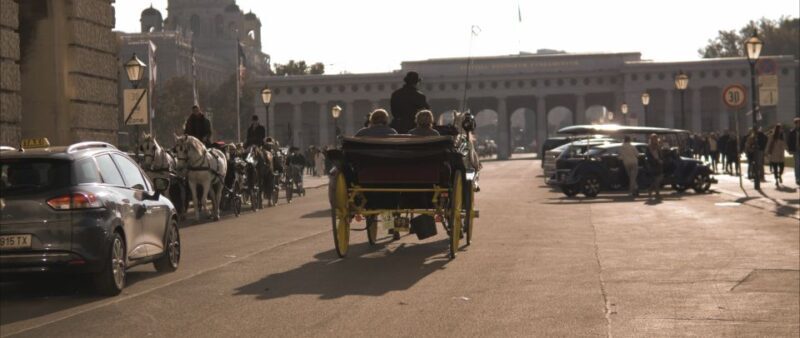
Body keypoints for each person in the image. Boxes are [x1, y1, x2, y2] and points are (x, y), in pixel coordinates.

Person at [645, 134, 663, 199]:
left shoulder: (658, 146)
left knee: (658, 179)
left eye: (656, 138)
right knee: (656, 179)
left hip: (659, 164)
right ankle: (657, 193)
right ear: (651, 139)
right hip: (653, 165)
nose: (655, 140)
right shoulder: (649, 147)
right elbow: (648, 156)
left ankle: (650, 190)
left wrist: (661, 160)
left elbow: (660, 154)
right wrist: (655, 160)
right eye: (653, 138)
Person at [788, 118, 800, 186]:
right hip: (796, 150)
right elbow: (789, 142)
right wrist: (790, 150)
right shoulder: (792, 131)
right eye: (798, 123)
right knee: (797, 164)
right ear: (795, 123)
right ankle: (797, 178)